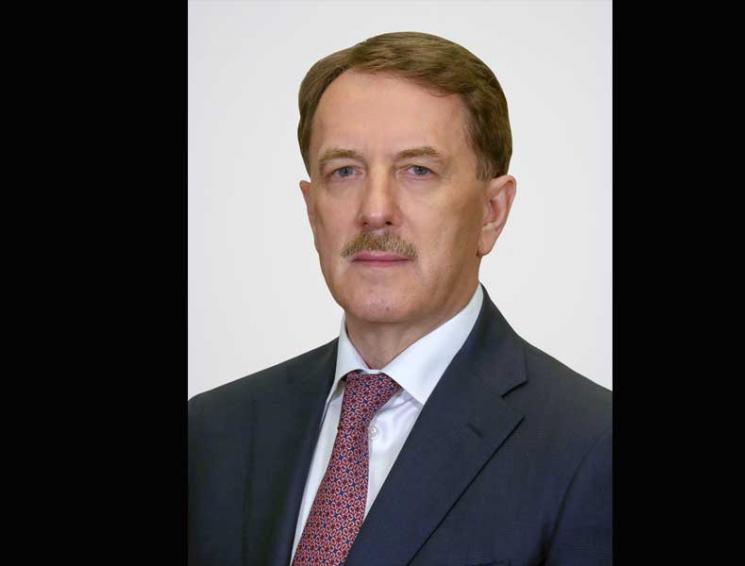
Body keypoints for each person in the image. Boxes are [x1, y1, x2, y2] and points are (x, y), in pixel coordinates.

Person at [188, 31, 612, 566]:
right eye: (344, 171)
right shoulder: (212, 432)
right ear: (312, 209)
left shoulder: (592, 447)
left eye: (418, 170)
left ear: (491, 212)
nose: (375, 209)